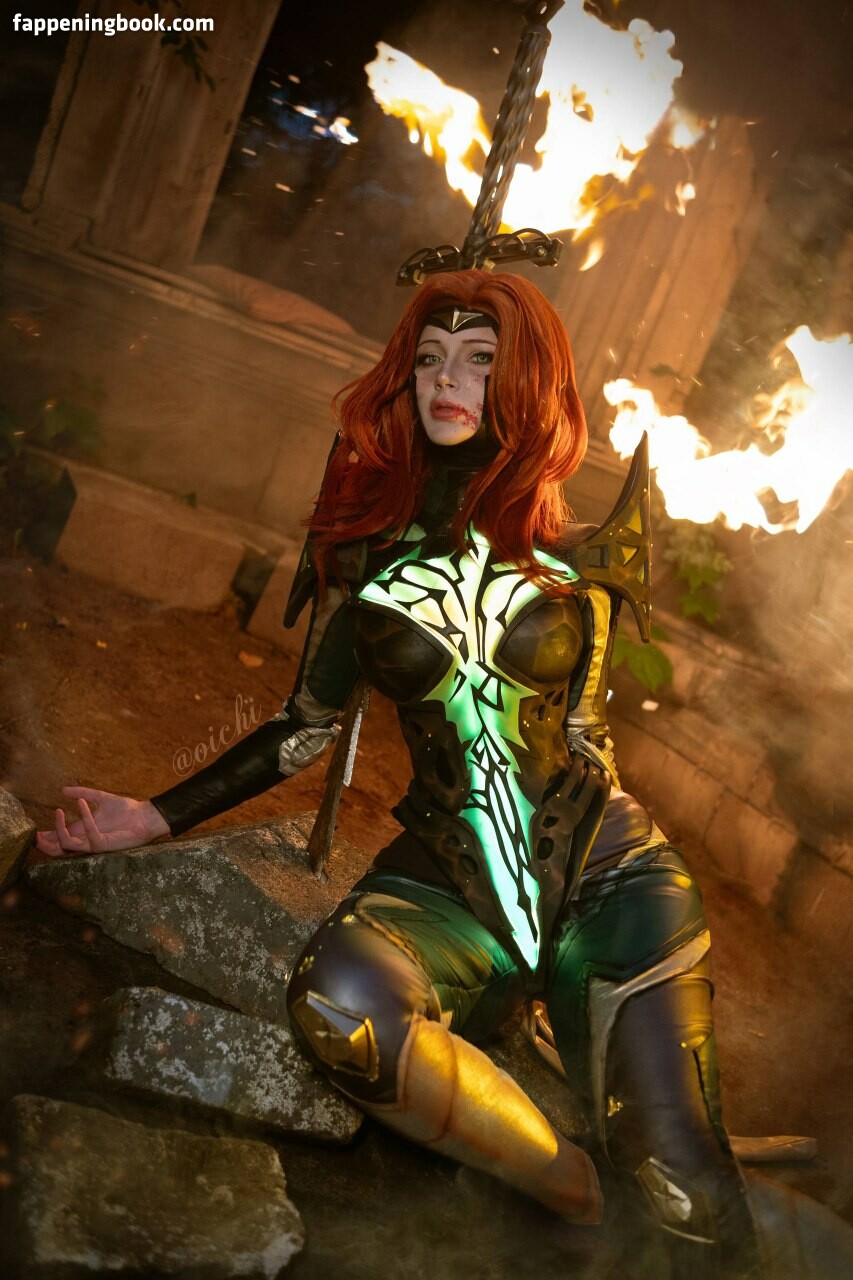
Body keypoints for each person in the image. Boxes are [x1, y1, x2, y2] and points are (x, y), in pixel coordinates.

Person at [36, 271, 762, 1278]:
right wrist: (151, 817)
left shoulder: (578, 562)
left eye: (478, 359)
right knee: (339, 1007)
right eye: (428, 358)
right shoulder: (365, 558)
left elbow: (585, 739)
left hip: (610, 881)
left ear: (527, 380)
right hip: (444, 882)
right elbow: (301, 728)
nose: (444, 380)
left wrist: (561, 946)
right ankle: (578, 1192)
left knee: (686, 1197)